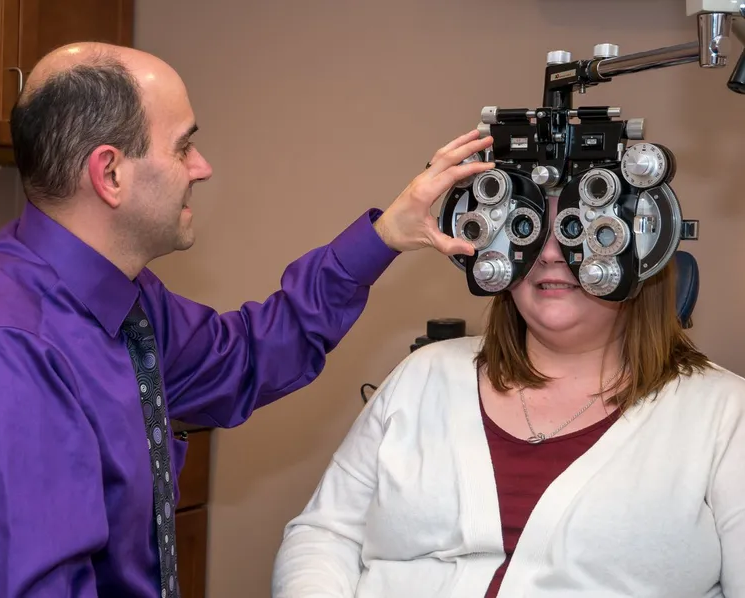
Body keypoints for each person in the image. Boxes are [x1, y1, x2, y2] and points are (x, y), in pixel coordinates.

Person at [0, 41, 495, 598]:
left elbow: (244, 357)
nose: (202, 167)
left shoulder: (125, 297)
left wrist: (382, 239)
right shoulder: (3, 356)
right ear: (109, 173)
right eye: (184, 146)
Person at [271, 192, 745, 597]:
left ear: (645, 253)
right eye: (528, 228)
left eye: (583, 230)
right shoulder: (424, 375)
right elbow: (324, 533)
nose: (550, 253)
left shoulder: (723, 414)